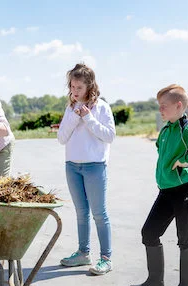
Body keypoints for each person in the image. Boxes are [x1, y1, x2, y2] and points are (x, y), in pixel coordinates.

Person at [129, 84, 188, 286]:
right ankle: (155, 282)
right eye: (159, 106)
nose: (160, 110)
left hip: (184, 189)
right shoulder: (166, 128)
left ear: (178, 106)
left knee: (185, 238)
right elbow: (161, 148)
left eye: (163, 106)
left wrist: (186, 160)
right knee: (149, 232)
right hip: (166, 191)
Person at [57, 63, 116, 275]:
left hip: (95, 166)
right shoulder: (70, 109)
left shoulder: (102, 107)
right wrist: (75, 115)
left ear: (90, 86)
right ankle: (83, 254)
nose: (74, 91)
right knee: (81, 213)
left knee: (99, 213)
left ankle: (106, 258)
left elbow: (109, 136)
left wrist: (88, 118)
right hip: (72, 167)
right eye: (72, 86)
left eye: (79, 87)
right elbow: (61, 138)